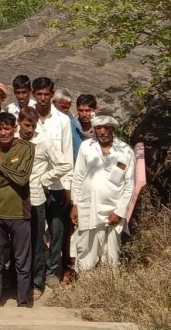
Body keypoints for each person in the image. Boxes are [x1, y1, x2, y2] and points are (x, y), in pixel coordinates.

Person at [0, 112, 35, 307]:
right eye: (0, 129)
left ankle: (22, 300)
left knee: (22, 260)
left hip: (20, 212)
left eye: (7, 128)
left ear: (15, 128)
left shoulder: (27, 148)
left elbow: (23, 179)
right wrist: (12, 175)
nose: (3, 132)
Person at [17, 107, 72, 300]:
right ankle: (18, 281)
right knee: (17, 243)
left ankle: (36, 283)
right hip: (14, 200)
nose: (29, 129)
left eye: (32, 125)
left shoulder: (43, 141)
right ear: (19, 121)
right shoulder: (11, 139)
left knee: (37, 242)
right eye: (26, 125)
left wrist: (44, 179)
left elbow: (65, 164)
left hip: (35, 199)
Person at [70, 116, 135, 272]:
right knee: (86, 249)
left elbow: (129, 184)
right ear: (95, 129)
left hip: (113, 210)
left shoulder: (125, 150)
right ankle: (85, 285)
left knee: (111, 252)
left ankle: (108, 288)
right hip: (88, 207)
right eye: (99, 128)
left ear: (113, 129)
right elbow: (78, 176)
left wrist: (119, 212)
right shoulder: (86, 147)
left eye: (107, 128)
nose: (103, 131)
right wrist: (75, 205)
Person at [32, 77, 73, 287]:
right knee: (36, 232)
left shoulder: (63, 120)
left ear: (52, 94)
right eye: (38, 94)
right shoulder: (27, 117)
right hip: (33, 187)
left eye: (46, 94)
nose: (42, 98)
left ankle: (52, 271)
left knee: (57, 230)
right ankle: (36, 273)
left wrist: (66, 188)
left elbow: (67, 155)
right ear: (33, 94)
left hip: (56, 186)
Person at [72, 94, 98, 161]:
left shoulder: (101, 127)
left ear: (95, 110)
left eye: (87, 110)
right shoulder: (71, 126)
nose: (84, 114)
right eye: (80, 110)